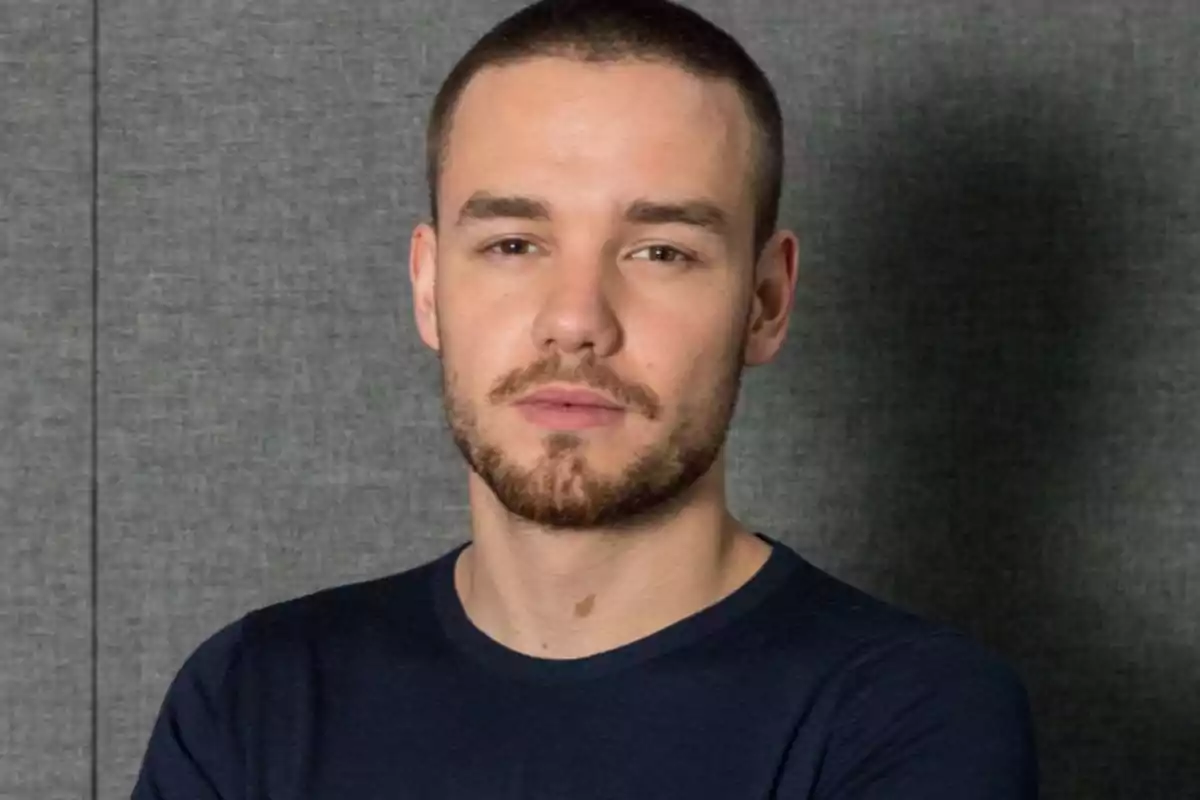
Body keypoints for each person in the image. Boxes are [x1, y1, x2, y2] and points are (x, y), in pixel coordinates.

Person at [131, 0, 1039, 797]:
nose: (575, 321)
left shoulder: (907, 713)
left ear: (764, 303)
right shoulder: (254, 696)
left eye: (661, 252)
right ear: (427, 286)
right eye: (515, 244)